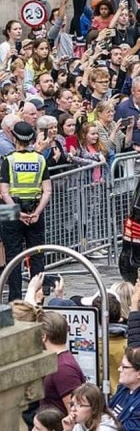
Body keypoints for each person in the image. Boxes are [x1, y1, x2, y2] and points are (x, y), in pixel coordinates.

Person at [0, 121, 51, 301]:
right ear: (31, 139)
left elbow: (4, 192)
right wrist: (37, 211)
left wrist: (16, 211)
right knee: (37, 255)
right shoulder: (40, 159)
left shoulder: (8, 160)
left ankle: (15, 299)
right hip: (35, 209)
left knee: (13, 257)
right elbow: (47, 191)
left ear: (14, 137)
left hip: (11, 210)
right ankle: (38, 297)